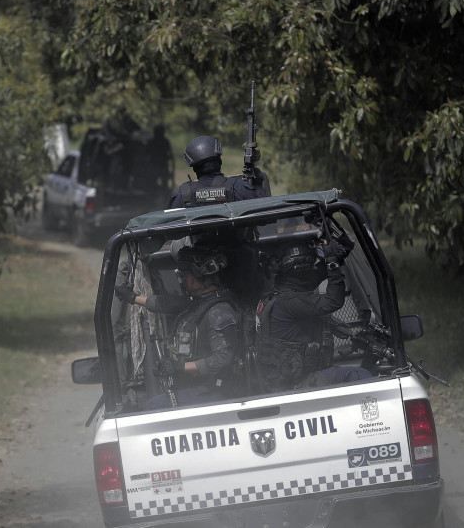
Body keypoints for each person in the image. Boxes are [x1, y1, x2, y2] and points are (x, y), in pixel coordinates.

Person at [114, 242, 242, 409]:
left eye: (185, 274)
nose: (182, 279)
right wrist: (133, 298)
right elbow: (168, 303)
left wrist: (179, 367)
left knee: (152, 406)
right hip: (199, 387)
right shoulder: (199, 302)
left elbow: (224, 358)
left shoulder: (219, 312)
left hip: (214, 390)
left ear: (195, 277)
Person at [255, 233, 356, 391]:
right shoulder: (290, 301)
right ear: (299, 269)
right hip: (296, 384)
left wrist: (340, 251)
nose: (314, 268)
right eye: (310, 265)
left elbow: (315, 276)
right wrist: (332, 263)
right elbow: (333, 301)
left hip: (286, 379)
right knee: (358, 375)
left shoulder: (282, 290)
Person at [166, 135, 268, 209]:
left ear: (194, 167)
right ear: (219, 161)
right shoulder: (238, 187)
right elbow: (265, 214)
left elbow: (168, 224)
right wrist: (257, 181)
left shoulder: (183, 194)